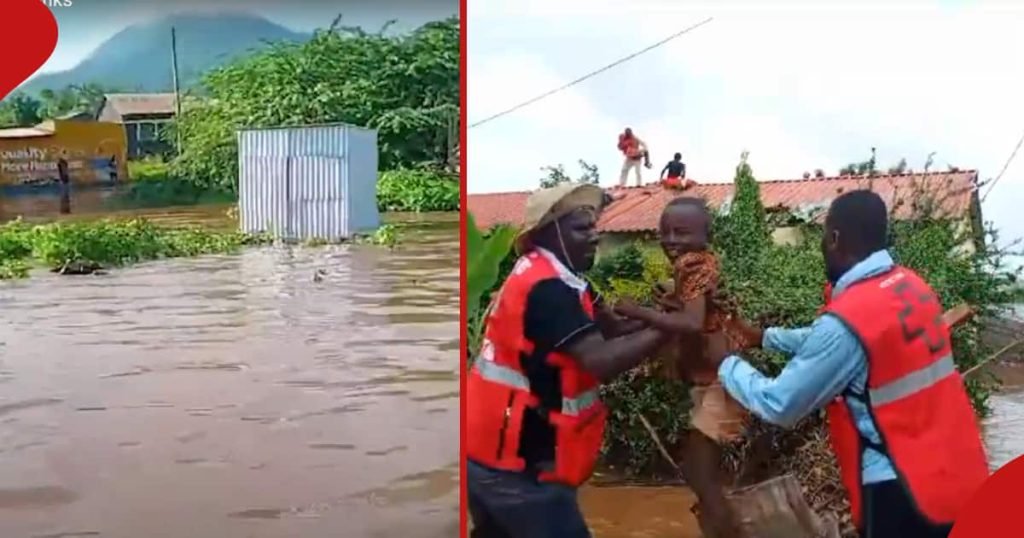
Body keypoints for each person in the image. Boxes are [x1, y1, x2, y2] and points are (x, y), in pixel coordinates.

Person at [707, 189, 990, 538]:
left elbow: (780, 403)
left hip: (902, 491)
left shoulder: (847, 322)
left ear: (835, 237)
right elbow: (841, 341)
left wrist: (725, 363)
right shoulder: (910, 287)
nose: (822, 243)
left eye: (825, 234)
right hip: (960, 472)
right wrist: (763, 337)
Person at [465, 183, 671, 538]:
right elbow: (599, 360)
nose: (594, 237)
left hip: (493, 450)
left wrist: (660, 314)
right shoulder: (548, 289)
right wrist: (671, 329)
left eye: (593, 227)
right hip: (518, 464)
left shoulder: (561, 278)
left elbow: (610, 329)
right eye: (581, 229)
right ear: (548, 233)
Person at [613, 197, 757, 538]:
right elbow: (694, 315)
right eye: (665, 231)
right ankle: (723, 528)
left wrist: (638, 312)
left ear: (705, 236)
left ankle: (731, 533)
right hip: (718, 383)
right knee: (699, 473)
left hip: (723, 385)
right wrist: (671, 305)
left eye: (681, 232)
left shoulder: (693, 265)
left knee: (699, 472)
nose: (671, 240)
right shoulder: (700, 265)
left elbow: (691, 324)